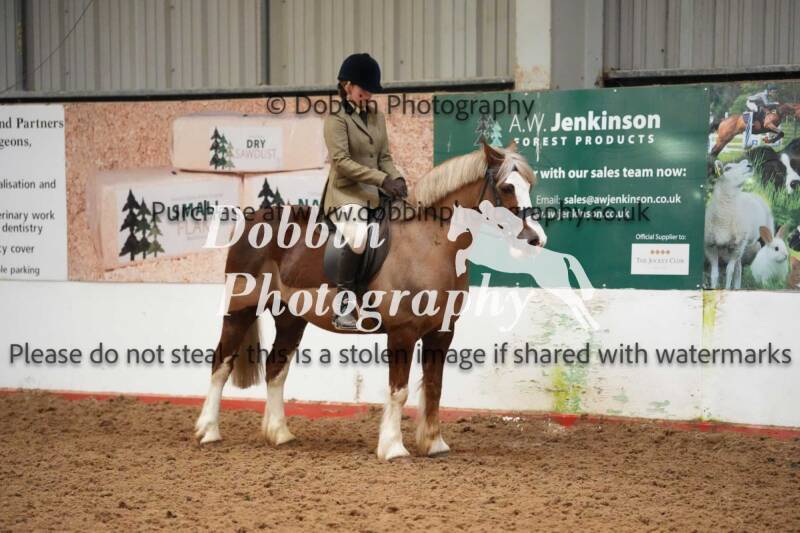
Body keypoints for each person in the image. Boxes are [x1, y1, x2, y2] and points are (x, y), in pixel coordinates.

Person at [322, 53, 408, 331]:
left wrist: (397, 178)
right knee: (358, 238)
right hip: (346, 194)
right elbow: (342, 164)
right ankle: (343, 307)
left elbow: (384, 156)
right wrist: (383, 180)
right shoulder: (336, 120)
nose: (368, 95)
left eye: (371, 90)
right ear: (347, 85)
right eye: (364, 89)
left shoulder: (376, 116)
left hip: (375, 192)